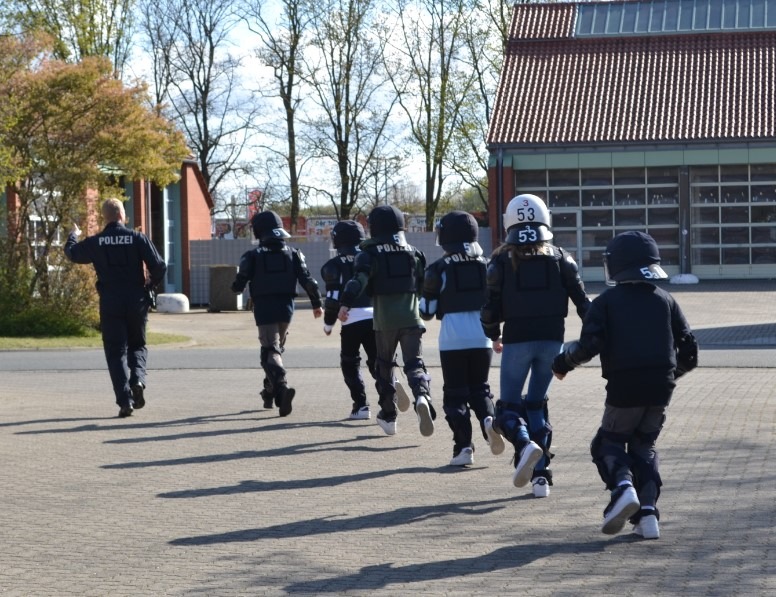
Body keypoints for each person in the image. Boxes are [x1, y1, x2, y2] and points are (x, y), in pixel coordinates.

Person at [552, 230, 698, 539]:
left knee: (608, 443)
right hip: (661, 386)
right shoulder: (665, 299)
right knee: (644, 445)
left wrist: (562, 364)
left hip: (624, 385)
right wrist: (670, 375)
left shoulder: (606, 302)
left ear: (616, 265)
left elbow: (589, 346)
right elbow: (690, 352)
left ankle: (622, 489)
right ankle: (647, 516)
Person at [481, 194, 591, 496]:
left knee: (509, 408)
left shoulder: (500, 260)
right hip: (552, 341)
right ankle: (541, 477)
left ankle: (524, 443)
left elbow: (489, 308)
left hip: (517, 340)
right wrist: (594, 341)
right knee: (537, 404)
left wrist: (493, 335)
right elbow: (585, 305)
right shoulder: (561, 257)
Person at [337, 205, 436, 437]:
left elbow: (358, 280)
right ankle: (422, 395)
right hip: (412, 318)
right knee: (415, 364)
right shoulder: (414, 252)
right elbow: (423, 285)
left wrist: (345, 303)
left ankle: (389, 416)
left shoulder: (369, 254)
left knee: (384, 366)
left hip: (384, 321)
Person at [64, 197, 167, 418]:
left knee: (115, 351)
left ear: (105, 217)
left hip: (110, 301)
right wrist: (150, 283)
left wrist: (73, 234)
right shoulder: (137, 238)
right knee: (137, 345)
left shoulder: (97, 242)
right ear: (122, 215)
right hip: (136, 299)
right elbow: (159, 266)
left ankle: (125, 401)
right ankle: (138, 379)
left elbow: (72, 254)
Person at [420, 211, 503, 466]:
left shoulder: (439, 269)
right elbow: (498, 303)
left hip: (452, 339)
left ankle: (463, 448)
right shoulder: (489, 265)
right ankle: (489, 420)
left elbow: (427, 312)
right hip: (483, 337)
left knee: (455, 395)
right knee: (480, 389)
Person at [231, 210, 323, 417]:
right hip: (287, 308)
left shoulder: (252, 256)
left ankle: (281, 387)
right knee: (277, 349)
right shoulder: (294, 253)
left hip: (264, 307)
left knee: (269, 351)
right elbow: (309, 281)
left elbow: (239, 283)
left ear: (259, 232)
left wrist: (235, 287)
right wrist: (317, 303)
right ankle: (269, 392)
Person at [320, 220, 378, 420]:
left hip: (351, 319)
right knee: (377, 361)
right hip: (376, 317)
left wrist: (328, 324)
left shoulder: (333, 265)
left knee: (350, 363)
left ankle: (361, 405)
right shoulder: (371, 258)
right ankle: (389, 388)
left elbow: (333, 298)